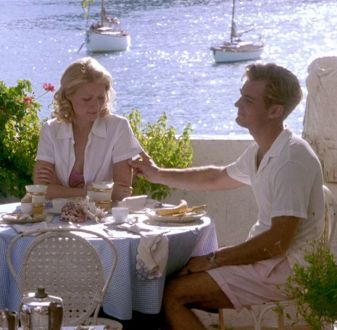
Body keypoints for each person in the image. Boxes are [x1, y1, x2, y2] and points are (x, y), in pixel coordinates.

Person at [130, 63, 325, 330]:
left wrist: (212, 259)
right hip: (267, 265)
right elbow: (215, 177)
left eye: (247, 99)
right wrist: (156, 174)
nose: (237, 103)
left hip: (286, 273)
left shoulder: (291, 160)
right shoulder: (265, 150)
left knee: (171, 295)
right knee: (159, 281)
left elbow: (278, 242)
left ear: (275, 111)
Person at [34, 57, 143, 202]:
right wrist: (94, 192)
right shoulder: (51, 130)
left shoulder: (118, 127)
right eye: (87, 99)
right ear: (68, 95)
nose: (95, 106)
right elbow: (42, 190)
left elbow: (121, 193)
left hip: (103, 220)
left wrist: (61, 189)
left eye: (100, 98)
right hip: (59, 220)